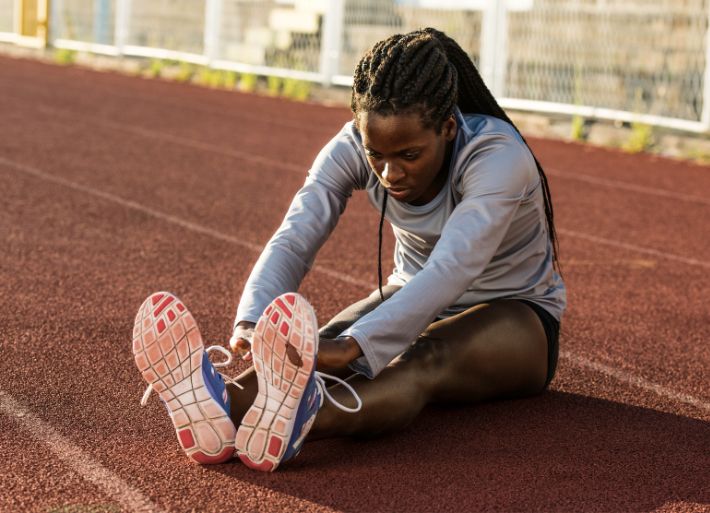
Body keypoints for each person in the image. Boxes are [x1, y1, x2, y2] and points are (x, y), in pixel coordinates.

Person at [133, 27, 565, 471]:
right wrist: (253, 320)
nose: (390, 173)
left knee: (419, 357)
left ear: (449, 127)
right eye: (377, 155)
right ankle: (217, 408)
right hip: (411, 289)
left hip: (518, 316)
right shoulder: (352, 147)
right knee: (306, 351)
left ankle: (299, 421)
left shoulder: (498, 157)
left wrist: (357, 346)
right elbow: (296, 235)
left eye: (410, 156)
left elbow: (453, 266)